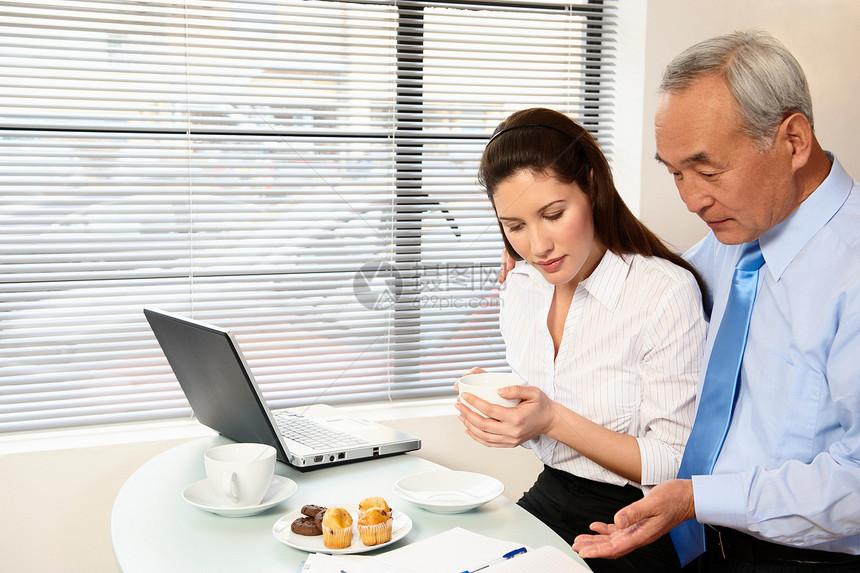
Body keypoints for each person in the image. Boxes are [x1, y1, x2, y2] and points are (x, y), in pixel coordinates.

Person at [569, 30, 860, 571]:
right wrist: (544, 260)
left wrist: (700, 498)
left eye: (707, 170)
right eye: (675, 173)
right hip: (701, 545)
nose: (692, 198)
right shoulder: (721, 249)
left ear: (793, 140)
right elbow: (632, 288)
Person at [455, 107, 707, 572]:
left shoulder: (662, 292)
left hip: (636, 521)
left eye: (553, 214)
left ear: (592, 186)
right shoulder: (523, 285)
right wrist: (507, 409)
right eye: (515, 226)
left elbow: (675, 463)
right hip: (551, 494)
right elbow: (547, 434)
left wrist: (550, 419)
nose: (538, 246)